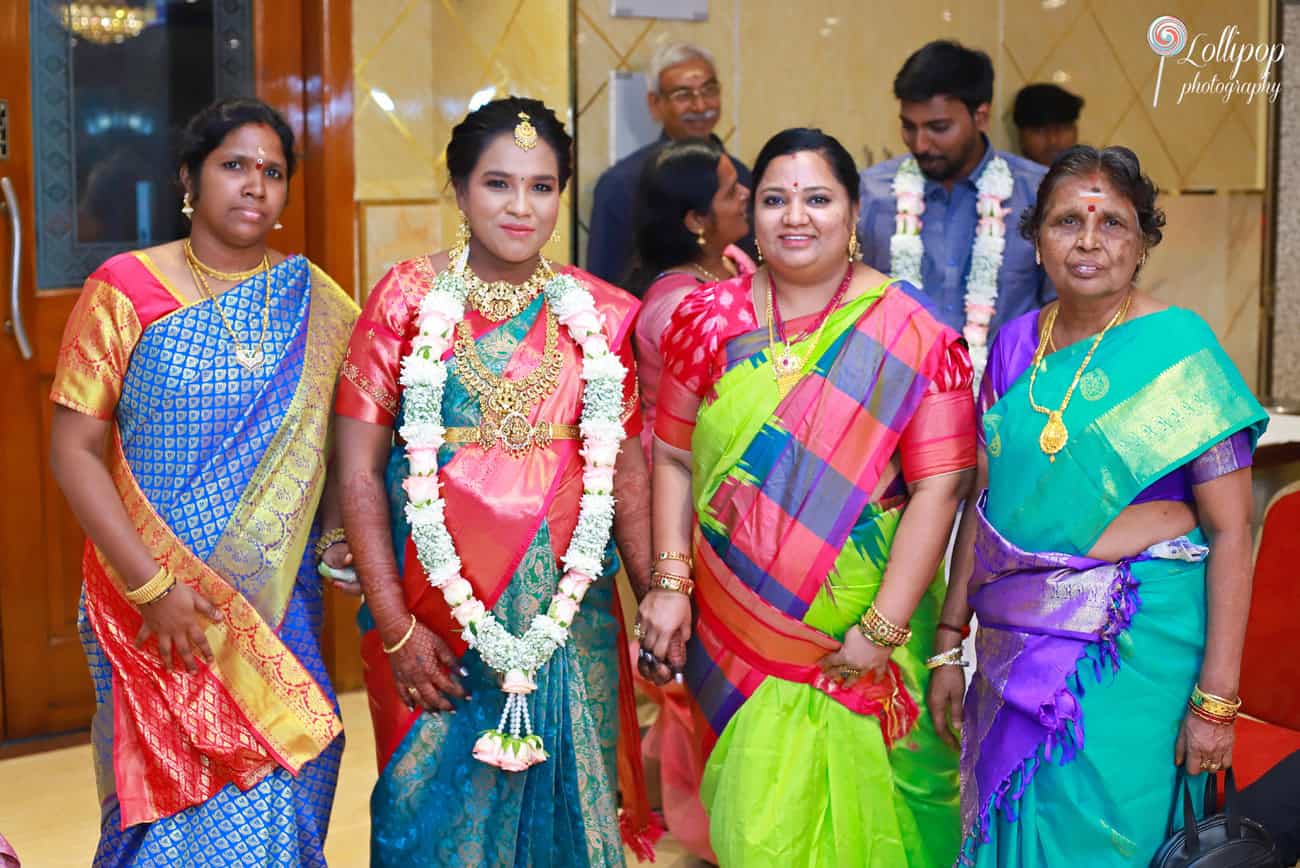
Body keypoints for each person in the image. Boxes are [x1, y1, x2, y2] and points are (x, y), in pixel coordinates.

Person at [638, 127, 978, 867]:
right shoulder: (706, 321)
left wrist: (882, 631)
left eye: (817, 198)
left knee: (892, 827)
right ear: (750, 216)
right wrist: (669, 582)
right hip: (738, 634)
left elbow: (940, 488)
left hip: (870, 636)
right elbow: (670, 457)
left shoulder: (917, 335)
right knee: (757, 832)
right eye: (774, 199)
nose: (796, 216)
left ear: (854, 212)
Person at [334, 97, 657, 867]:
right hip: (431, 617)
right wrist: (397, 629)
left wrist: (659, 595)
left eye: (542, 187)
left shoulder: (602, 314)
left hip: (567, 619)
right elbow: (355, 469)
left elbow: (631, 467)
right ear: (458, 189)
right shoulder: (406, 300)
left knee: (571, 821)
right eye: (498, 184)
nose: (521, 207)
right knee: (427, 821)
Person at [926, 145, 1268, 866]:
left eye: (1112, 222)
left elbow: (1233, 531)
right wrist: (948, 642)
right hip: (1012, 643)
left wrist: (1216, 702)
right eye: (1065, 222)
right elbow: (983, 510)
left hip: (1133, 652)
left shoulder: (1179, 352)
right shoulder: (1016, 346)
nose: (1088, 242)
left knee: (1107, 837)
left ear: (1144, 241)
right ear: (1036, 239)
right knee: (1012, 821)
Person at [48, 97, 358, 866]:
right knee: (166, 799)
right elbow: (74, 450)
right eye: (234, 165)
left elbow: (342, 447)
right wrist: (151, 587)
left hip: (274, 600)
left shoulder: (319, 302)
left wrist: (341, 537)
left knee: (292, 765)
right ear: (190, 178)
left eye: (273, 172)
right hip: (147, 597)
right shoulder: (125, 290)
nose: (255, 185)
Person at [858, 40, 1052, 382]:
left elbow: (1064, 312)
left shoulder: (1039, 194)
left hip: (1006, 407)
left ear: (981, 116)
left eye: (938, 128)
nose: (919, 144)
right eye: (909, 126)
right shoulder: (871, 193)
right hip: (898, 407)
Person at [629, 137, 754, 464]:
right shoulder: (678, 304)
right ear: (696, 221)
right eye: (730, 192)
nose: (746, 194)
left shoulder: (733, 259)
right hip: (687, 465)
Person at [586, 41, 751, 285]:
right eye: (683, 95)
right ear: (655, 104)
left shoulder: (741, 176)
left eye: (708, 90)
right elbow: (602, 286)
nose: (700, 105)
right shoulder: (622, 182)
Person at [1012, 83, 1083, 167]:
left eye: (1062, 129)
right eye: (1039, 131)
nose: (1053, 141)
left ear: (1075, 130)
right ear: (1020, 133)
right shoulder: (1002, 178)